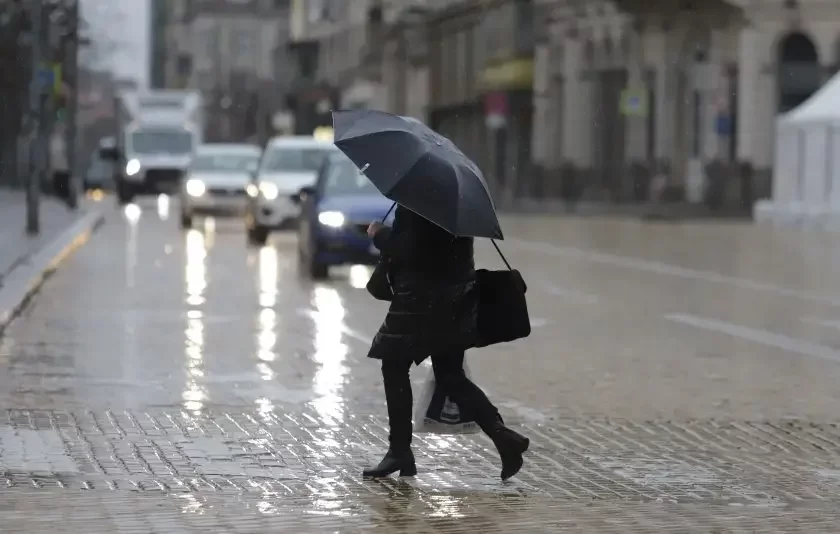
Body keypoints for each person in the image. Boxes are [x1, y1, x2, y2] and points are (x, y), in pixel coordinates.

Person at [363, 204, 529, 480]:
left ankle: (399, 451)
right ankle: (503, 437)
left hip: (420, 298)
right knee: (450, 375)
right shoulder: (457, 204)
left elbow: (412, 249)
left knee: (393, 364)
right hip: (457, 297)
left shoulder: (422, 201)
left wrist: (380, 234)